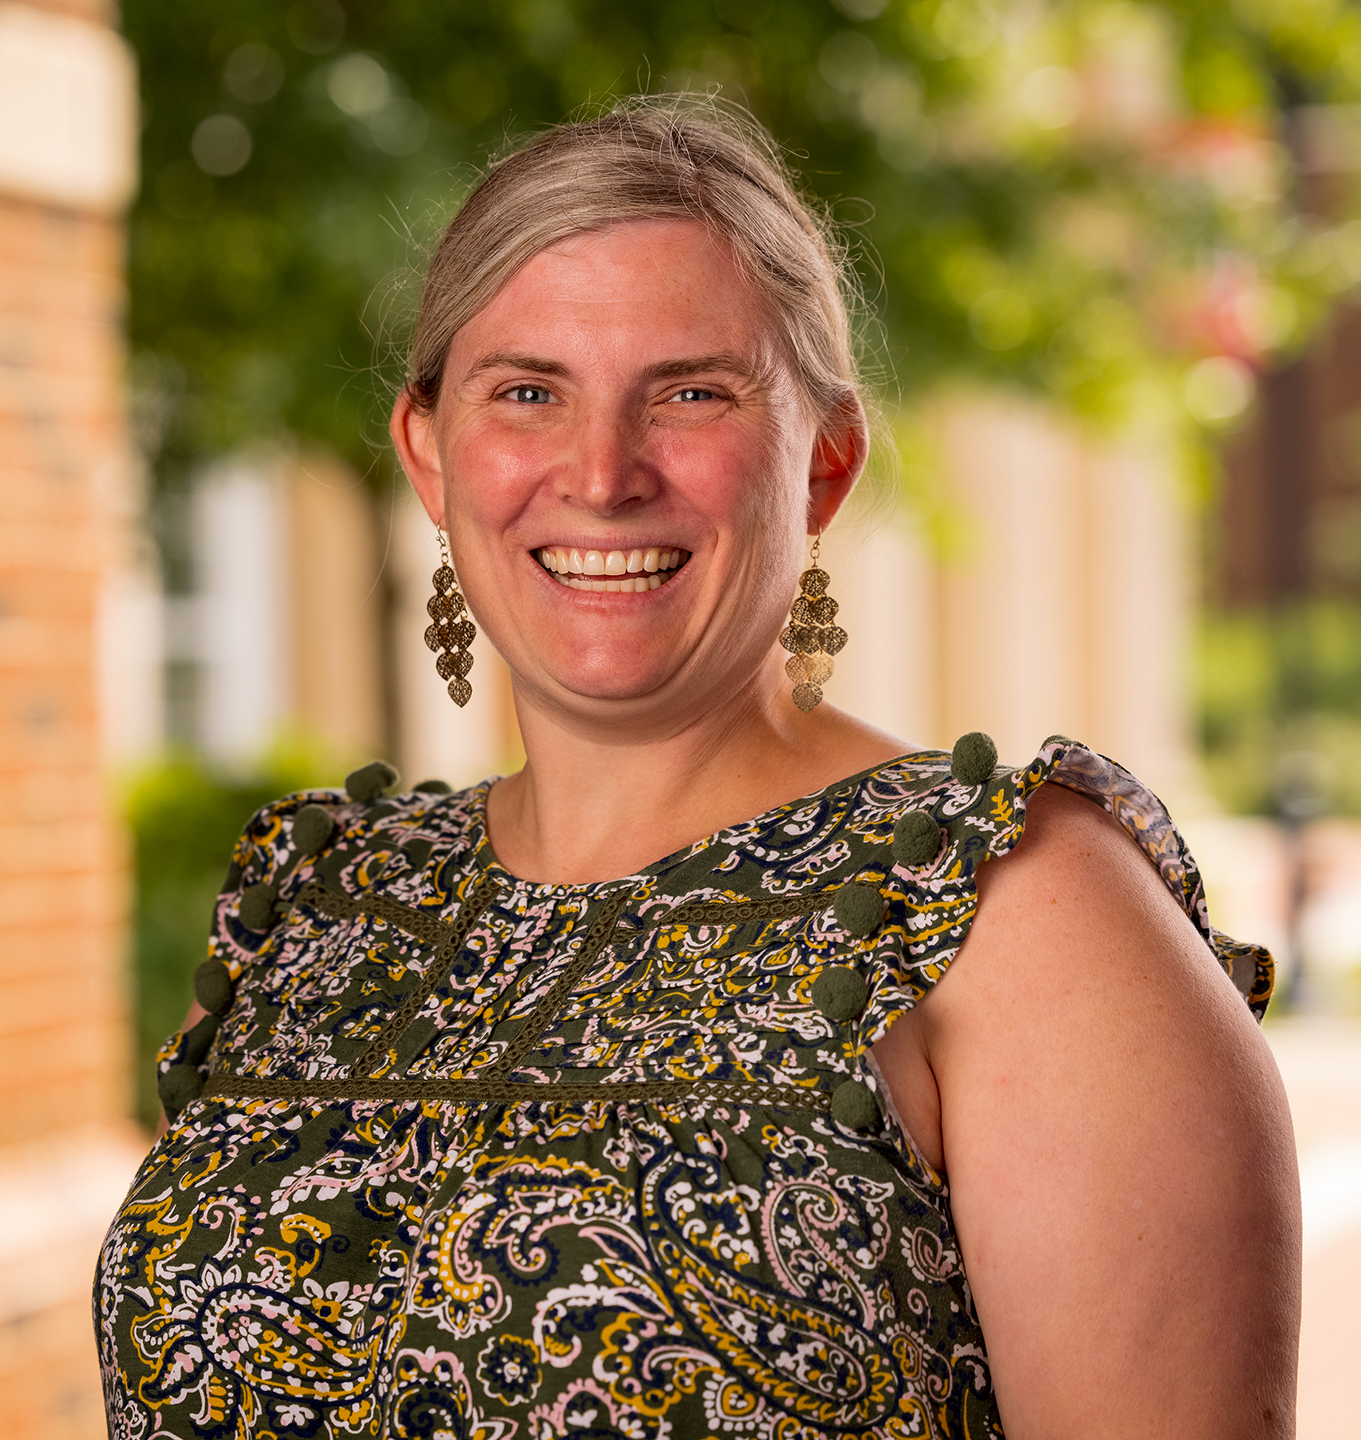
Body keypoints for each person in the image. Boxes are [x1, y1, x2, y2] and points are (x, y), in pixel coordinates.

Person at [95, 96, 1300, 1438]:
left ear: (824, 462)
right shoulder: (313, 903)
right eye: (528, 392)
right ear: (429, 455)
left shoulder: (1015, 911)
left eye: (691, 394)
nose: (601, 474)